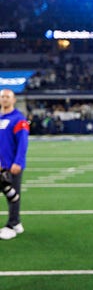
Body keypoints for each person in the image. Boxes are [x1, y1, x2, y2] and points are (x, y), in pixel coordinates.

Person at [0, 89, 29, 240]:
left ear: (14, 99)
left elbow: (23, 143)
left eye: (7, 97)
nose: (4, 99)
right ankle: (16, 223)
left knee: (13, 195)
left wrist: (18, 162)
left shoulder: (18, 119)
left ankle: (13, 224)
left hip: (12, 165)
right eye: (2, 97)